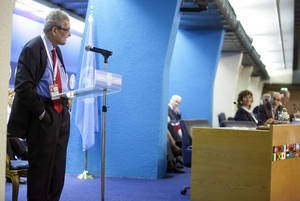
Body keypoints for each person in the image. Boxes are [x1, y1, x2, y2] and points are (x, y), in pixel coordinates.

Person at [8, 10, 71, 201]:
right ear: (54, 29)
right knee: (42, 171)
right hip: (44, 116)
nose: (69, 34)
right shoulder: (33, 47)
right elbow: (22, 85)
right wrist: (42, 113)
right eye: (66, 30)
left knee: (57, 171)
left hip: (60, 114)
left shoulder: (55, 49)